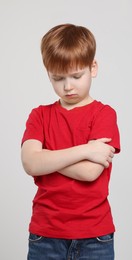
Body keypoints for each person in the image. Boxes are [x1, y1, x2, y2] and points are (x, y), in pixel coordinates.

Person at [21, 23, 120, 260]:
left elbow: (89, 172)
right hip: (45, 235)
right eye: (58, 78)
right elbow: (30, 164)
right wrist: (87, 149)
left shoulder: (104, 114)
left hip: (94, 235)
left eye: (76, 76)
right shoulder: (39, 115)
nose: (67, 86)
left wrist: (47, 157)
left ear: (92, 68)